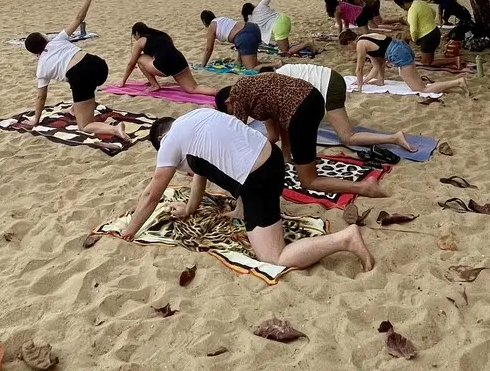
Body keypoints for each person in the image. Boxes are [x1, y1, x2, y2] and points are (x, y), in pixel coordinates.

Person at [121, 109, 375, 272]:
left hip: (259, 180)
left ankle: (345, 239)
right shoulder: (195, 119)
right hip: (273, 160)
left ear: (160, 141)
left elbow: (151, 194)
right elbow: (202, 174)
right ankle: (244, 211)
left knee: (275, 257)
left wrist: (129, 230)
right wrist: (189, 208)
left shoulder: (170, 143)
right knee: (226, 170)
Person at [215, 72, 389, 198]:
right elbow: (274, 134)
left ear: (228, 102)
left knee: (308, 181)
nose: (234, 113)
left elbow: (237, 134)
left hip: (301, 111)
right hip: (312, 98)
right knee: (301, 152)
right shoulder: (253, 90)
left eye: (230, 111)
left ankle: (364, 187)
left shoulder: (236, 95)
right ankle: (290, 158)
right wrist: (284, 155)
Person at [22, 0, 125, 141]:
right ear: (45, 39)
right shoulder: (58, 40)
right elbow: (79, 18)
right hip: (99, 66)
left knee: (84, 125)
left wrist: (35, 119)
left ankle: (115, 129)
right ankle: (75, 107)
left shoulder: (41, 68)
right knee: (82, 90)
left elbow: (41, 97)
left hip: (81, 76)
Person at [271, 60, 416, 153]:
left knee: (348, 137)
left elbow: (282, 128)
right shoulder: (284, 69)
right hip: (332, 77)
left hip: (330, 87)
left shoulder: (277, 84)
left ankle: (394, 138)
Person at [342, 29, 467, 98]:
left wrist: (359, 87)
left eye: (346, 47)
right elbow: (377, 65)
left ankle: (458, 82)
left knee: (421, 89)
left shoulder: (360, 45)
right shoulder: (365, 38)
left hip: (400, 54)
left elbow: (359, 69)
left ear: (349, 42)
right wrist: (365, 81)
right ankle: (381, 80)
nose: (348, 50)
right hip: (401, 48)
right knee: (411, 79)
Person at [122, 23, 215, 93]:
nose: (135, 39)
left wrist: (123, 82)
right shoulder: (162, 35)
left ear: (137, 33)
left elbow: (131, 64)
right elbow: (166, 50)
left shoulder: (141, 40)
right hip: (179, 60)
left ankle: (154, 85)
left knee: (139, 58)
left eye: (134, 36)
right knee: (193, 88)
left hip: (164, 66)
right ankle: (216, 92)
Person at [243, 0, 316, 55]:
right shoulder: (261, 5)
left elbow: (254, 33)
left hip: (279, 27)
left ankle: (308, 43)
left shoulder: (253, 20)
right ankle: (302, 43)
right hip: (284, 18)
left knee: (285, 51)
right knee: (284, 43)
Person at [393, 0, 441, 65]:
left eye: (403, 8)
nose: (404, 10)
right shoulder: (420, 2)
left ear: (403, 4)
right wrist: (426, 21)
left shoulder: (412, 10)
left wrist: (415, 40)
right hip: (435, 32)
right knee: (428, 59)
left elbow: (414, 30)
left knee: (427, 63)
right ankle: (407, 55)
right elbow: (433, 12)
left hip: (428, 38)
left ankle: (455, 60)